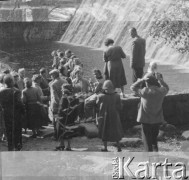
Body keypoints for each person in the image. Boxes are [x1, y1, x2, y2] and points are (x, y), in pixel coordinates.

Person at [130, 74, 169, 152]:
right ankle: (156, 154)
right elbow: (167, 88)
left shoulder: (145, 91)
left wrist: (141, 80)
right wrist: (160, 80)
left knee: (147, 140)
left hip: (145, 120)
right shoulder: (161, 91)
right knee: (154, 139)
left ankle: (149, 157)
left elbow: (132, 87)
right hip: (157, 119)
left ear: (147, 83)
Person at [96, 80, 123, 152]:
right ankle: (119, 147)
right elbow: (120, 107)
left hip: (105, 116)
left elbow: (97, 104)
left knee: (104, 131)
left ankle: (105, 147)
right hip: (114, 116)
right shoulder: (117, 96)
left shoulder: (101, 96)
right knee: (116, 131)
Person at [0, 75, 25, 151]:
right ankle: (17, 147)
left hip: (6, 114)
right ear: (11, 82)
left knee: (8, 131)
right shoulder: (16, 91)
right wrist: (23, 111)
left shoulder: (1, 91)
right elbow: (19, 103)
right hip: (16, 114)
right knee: (17, 131)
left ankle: (10, 147)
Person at [55, 84, 80, 151]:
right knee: (69, 131)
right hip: (71, 117)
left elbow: (61, 108)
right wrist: (75, 116)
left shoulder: (64, 98)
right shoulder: (75, 98)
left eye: (62, 89)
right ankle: (68, 146)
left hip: (63, 117)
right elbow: (76, 108)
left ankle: (62, 144)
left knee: (61, 130)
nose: (61, 90)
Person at [49, 69, 67, 140]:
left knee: (55, 120)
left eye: (51, 75)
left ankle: (56, 135)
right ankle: (63, 134)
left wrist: (59, 104)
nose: (51, 76)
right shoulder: (65, 81)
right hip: (64, 103)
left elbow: (55, 96)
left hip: (56, 105)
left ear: (54, 75)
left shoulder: (53, 84)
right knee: (63, 119)